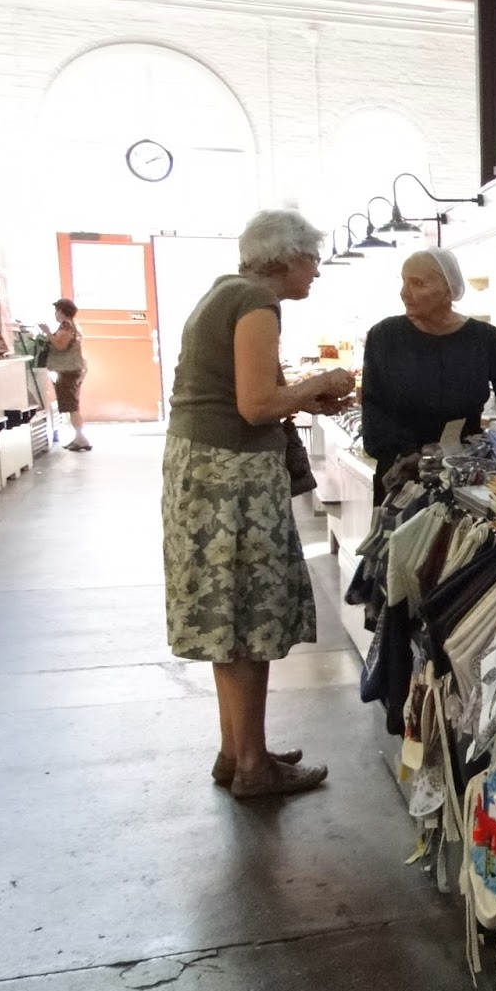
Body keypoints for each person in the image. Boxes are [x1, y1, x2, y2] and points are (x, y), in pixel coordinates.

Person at [162, 209, 356, 799]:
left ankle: (237, 750)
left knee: (229, 614)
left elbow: (244, 395)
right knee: (246, 615)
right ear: (285, 258)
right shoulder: (255, 302)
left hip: (206, 469)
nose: (316, 272)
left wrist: (298, 398)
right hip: (233, 478)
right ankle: (254, 767)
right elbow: (254, 404)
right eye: (312, 259)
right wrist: (322, 384)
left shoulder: (226, 293)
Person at [362, 248, 496, 502]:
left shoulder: (484, 339)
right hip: (401, 476)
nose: (404, 293)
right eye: (403, 281)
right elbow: (374, 409)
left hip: (465, 478)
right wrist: (405, 454)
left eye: (417, 283)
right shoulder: (384, 336)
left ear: (448, 290)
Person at [39, 298, 90, 450]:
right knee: (71, 405)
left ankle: (81, 438)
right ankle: (78, 437)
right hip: (72, 370)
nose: (55, 313)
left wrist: (48, 333)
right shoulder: (74, 326)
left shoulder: (66, 326)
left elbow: (60, 345)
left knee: (72, 406)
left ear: (61, 311)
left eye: (57, 310)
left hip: (67, 370)